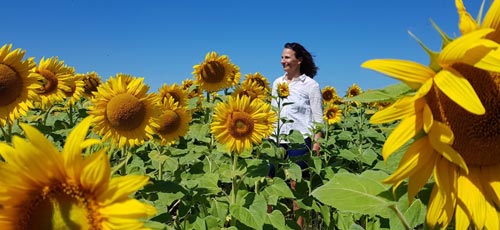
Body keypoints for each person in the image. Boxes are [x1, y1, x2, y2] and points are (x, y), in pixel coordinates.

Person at [269, 42, 324, 229]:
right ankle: (267, 223)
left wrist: (316, 144)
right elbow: (272, 112)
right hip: (276, 138)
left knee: (296, 185)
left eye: (287, 57)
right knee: (269, 182)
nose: (282, 61)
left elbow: (318, 119)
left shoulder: (311, 85)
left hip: (300, 139)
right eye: (282, 57)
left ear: (298, 60)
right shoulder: (277, 83)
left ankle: (299, 226)